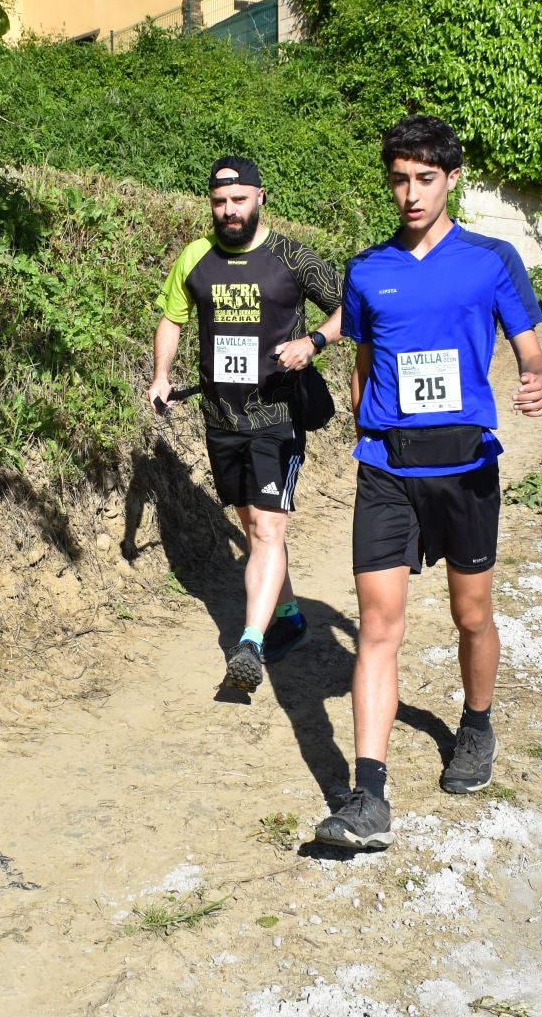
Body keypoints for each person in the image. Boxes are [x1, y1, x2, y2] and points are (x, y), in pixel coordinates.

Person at [313, 115, 542, 850]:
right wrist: (362, 420)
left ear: (451, 180)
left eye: (424, 178)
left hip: (466, 467)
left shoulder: (491, 260)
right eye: (399, 179)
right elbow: (360, 355)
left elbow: (532, 352)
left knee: (471, 614)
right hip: (386, 470)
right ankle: (369, 795)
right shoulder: (366, 269)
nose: (410, 193)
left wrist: (539, 378)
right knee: (379, 627)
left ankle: (476, 725)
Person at [148, 156, 343, 693]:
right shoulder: (196, 257)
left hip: (276, 417)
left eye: (238, 200)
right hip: (221, 418)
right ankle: (290, 618)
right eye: (219, 202)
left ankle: (250, 644)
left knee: (265, 527)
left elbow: (352, 306)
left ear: (260, 198)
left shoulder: (291, 258)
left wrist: (314, 341)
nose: (229, 211)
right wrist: (162, 375)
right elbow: (173, 318)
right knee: (252, 523)